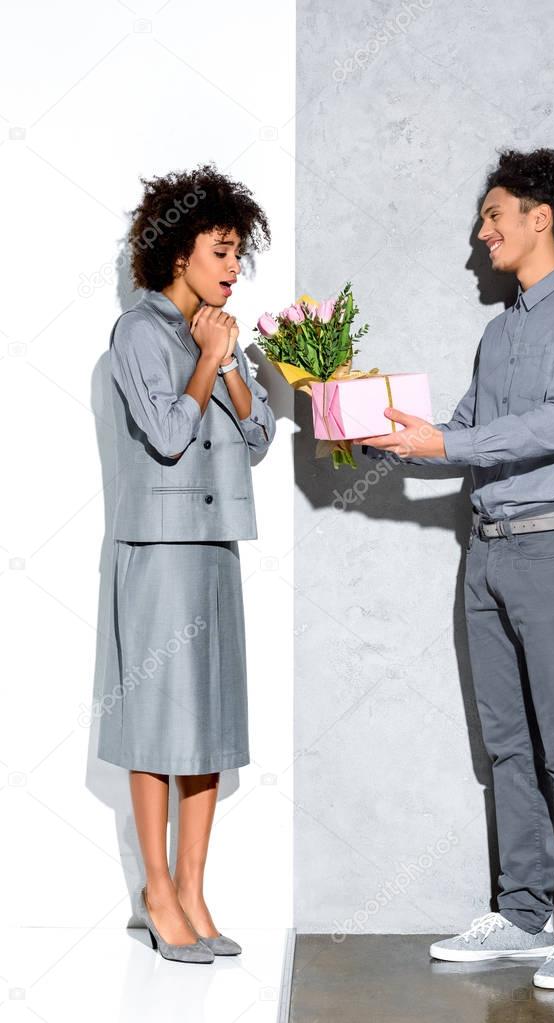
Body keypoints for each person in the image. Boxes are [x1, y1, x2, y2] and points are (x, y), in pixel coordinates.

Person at [357, 148, 554, 990]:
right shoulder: (497, 332)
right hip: (487, 554)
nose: (481, 236)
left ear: (538, 218)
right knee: (506, 744)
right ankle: (521, 913)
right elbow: (461, 438)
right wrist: (379, 428)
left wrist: (447, 441)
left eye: (492, 217)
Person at [96, 163, 276, 963]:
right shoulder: (138, 333)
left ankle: (194, 891)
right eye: (222, 251)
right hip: (157, 552)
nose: (233, 267)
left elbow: (260, 436)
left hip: (214, 546)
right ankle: (156, 891)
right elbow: (168, 433)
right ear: (179, 253)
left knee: (207, 724)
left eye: (238, 253)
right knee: (158, 723)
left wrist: (230, 359)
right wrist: (206, 356)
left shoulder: (222, 333)